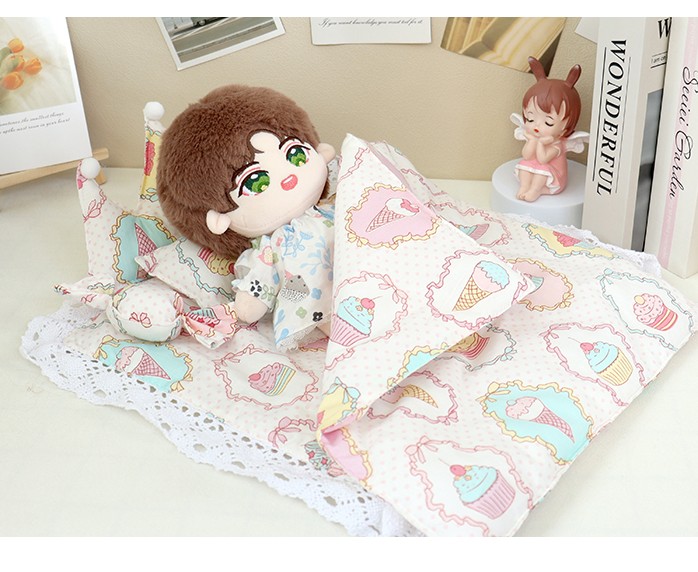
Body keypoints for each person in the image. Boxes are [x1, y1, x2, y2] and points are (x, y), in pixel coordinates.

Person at [512, 56, 585, 202]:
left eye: (548, 123)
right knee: (524, 166)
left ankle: (535, 190)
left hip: (554, 176)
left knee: (541, 172)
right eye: (530, 119)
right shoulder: (534, 135)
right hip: (535, 166)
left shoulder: (557, 144)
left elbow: (543, 159)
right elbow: (527, 156)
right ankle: (525, 187)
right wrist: (531, 141)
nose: (537, 126)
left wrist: (540, 143)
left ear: (565, 128)